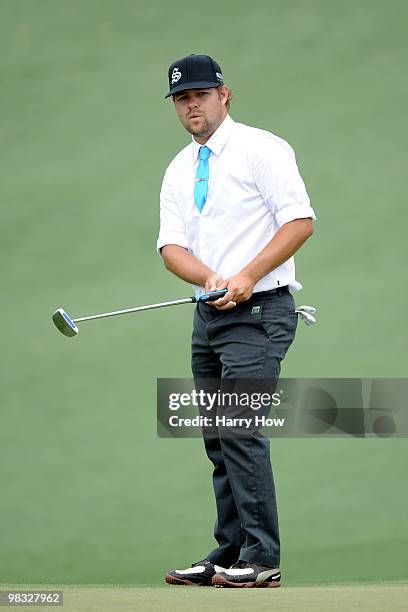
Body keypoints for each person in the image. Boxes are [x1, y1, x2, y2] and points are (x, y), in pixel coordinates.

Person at [157, 54, 316, 588]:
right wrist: (209, 278)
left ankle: (262, 558)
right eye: (182, 98)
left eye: (200, 94)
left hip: (262, 311)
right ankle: (230, 553)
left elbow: (299, 222)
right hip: (210, 316)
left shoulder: (261, 149)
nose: (191, 105)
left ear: (225, 95)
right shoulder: (180, 168)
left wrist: (247, 275)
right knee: (217, 436)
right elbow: (171, 247)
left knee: (240, 429)